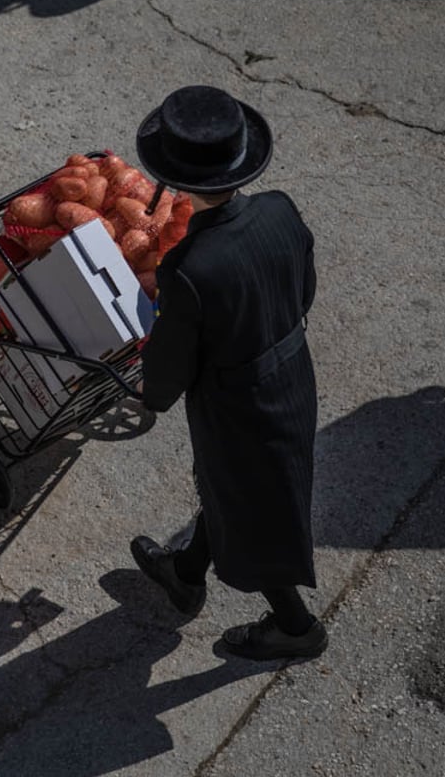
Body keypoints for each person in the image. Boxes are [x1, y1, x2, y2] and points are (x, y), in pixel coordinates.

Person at [130, 85, 327, 660]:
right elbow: (304, 292)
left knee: (250, 511)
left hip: (237, 408)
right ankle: (186, 572)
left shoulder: (188, 269)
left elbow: (170, 364)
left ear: (179, 179)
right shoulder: (280, 210)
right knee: (239, 492)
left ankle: (296, 627)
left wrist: (151, 394)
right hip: (292, 375)